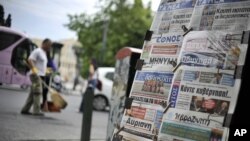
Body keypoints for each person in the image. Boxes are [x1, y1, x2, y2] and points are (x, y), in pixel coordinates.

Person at [21, 38, 52, 116]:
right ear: (43, 43)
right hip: (35, 75)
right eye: (48, 45)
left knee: (33, 93)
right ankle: (36, 111)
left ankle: (25, 110)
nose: (49, 47)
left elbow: (42, 65)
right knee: (38, 92)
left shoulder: (44, 53)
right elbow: (30, 60)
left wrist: (47, 71)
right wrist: (34, 70)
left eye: (50, 46)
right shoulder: (37, 51)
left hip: (41, 76)